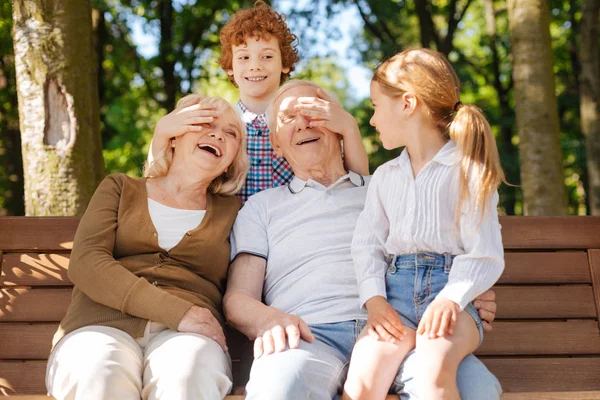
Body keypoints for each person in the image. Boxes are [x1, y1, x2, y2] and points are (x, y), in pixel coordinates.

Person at [223, 79, 502, 400]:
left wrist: (464, 292)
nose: (302, 123)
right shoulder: (261, 206)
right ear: (275, 144)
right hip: (309, 335)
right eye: (288, 118)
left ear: (338, 125)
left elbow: (448, 250)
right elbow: (238, 299)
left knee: (476, 390)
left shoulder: (389, 186)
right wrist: (271, 320)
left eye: (313, 112)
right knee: (279, 387)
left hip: (402, 329)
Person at [46, 95, 249, 400]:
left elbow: (250, 289)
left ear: (232, 160)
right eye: (204, 123)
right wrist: (177, 311)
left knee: (187, 374)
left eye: (231, 133)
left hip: (189, 338)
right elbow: (87, 262)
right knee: (99, 372)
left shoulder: (236, 212)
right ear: (174, 138)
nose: (218, 134)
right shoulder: (119, 188)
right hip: (97, 326)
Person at [342, 48, 505, 400]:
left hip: (451, 298)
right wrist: (374, 300)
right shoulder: (385, 177)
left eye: (374, 106)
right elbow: (367, 245)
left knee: (432, 369)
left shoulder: (467, 171)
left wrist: (450, 299)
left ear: (407, 104)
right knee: (360, 383)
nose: (371, 120)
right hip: (395, 301)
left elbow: (483, 252)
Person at [148, 0, 369, 203]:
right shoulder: (221, 126)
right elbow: (164, 179)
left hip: (295, 229)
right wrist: (161, 134)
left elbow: (356, 181)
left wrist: (348, 127)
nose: (255, 65)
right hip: (233, 237)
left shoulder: (304, 121)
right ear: (230, 68)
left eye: (267, 56)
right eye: (244, 57)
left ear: (285, 64)